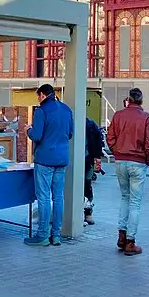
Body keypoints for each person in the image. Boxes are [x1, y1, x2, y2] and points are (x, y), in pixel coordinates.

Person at [105, 88, 149, 255]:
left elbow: (109, 136)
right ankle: (130, 242)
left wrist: (116, 151)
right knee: (135, 202)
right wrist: (147, 159)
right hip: (138, 162)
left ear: (128, 100)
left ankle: (121, 235)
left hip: (121, 161)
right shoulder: (146, 117)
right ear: (140, 100)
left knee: (125, 198)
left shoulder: (118, 115)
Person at [24, 84, 73, 247]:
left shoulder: (42, 111)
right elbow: (70, 133)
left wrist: (28, 130)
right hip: (62, 158)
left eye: (38, 96)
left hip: (45, 159)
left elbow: (37, 136)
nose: (38, 99)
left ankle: (43, 235)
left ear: (43, 95)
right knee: (58, 197)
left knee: (44, 197)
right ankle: (56, 235)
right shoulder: (66, 109)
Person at [83, 117, 104, 226]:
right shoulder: (90, 124)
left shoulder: (90, 124)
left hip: (86, 160)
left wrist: (97, 158)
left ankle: (87, 212)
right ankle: (87, 213)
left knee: (86, 186)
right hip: (87, 159)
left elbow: (97, 141)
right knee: (87, 186)